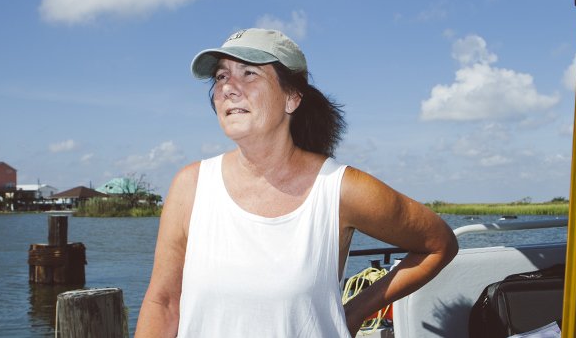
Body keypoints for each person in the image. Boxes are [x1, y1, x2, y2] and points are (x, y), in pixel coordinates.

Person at [135, 28, 458, 337]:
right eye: (221, 76)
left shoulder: (339, 188)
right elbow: (163, 302)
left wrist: (356, 310)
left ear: (291, 97)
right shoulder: (190, 186)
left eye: (249, 73)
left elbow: (439, 244)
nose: (228, 87)